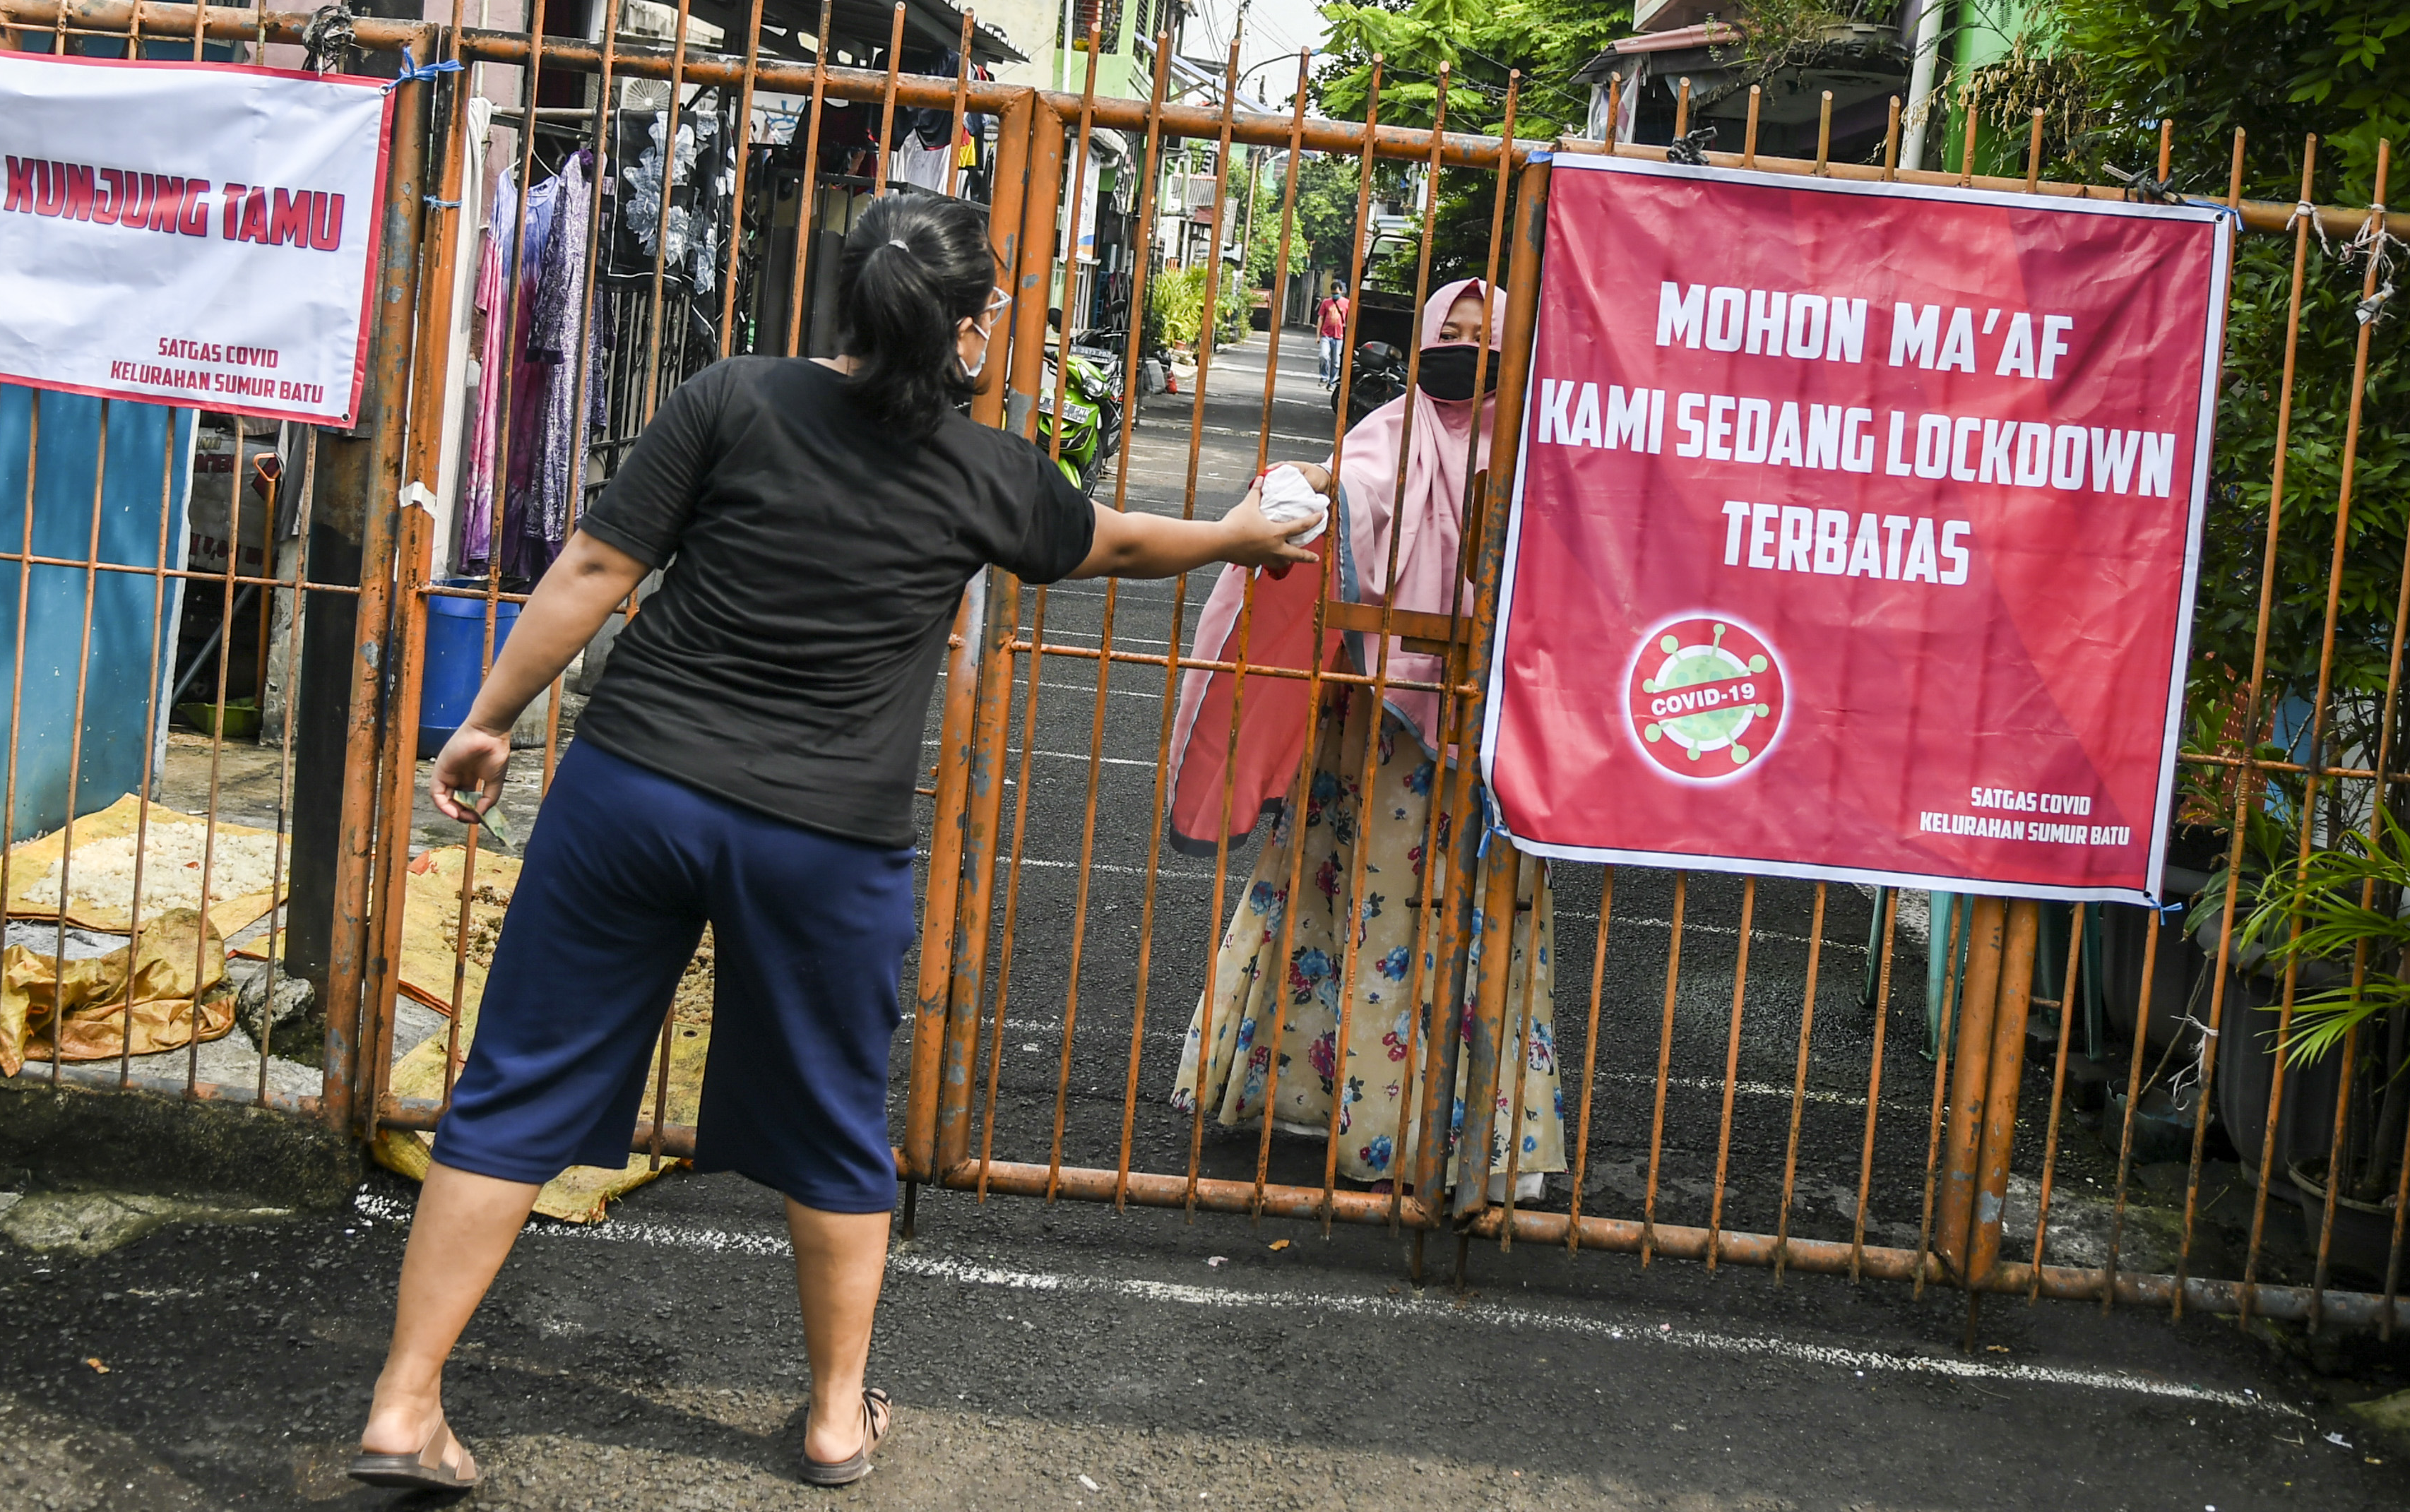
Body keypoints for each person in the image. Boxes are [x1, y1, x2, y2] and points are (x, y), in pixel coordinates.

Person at [352, 190, 1322, 1494]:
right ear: (971, 330)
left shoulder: (729, 397)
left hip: (633, 789)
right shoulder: (989, 471)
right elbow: (1123, 542)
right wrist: (1246, 533)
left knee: (513, 1085)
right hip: (822, 838)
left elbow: (592, 568)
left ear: (845, 302)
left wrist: (485, 721)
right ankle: (830, 1416)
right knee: (833, 1123)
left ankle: (406, 1408)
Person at [1163, 277, 1565, 1209]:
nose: (1463, 350)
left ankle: (1471, 1135)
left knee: (1476, 923)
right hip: (1376, 727)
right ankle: (1360, 1119)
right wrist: (1311, 485)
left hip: (1489, 729)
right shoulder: (1390, 428)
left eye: (1484, 335)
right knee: (1356, 909)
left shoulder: (1539, 441)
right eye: (1450, 332)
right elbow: (1363, 484)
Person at [1315, 280, 1351, 391]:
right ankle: (1324, 377)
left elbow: (1351, 320)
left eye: (1336, 292)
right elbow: (1321, 318)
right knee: (1324, 356)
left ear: (1341, 291)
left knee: (1336, 362)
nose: (1335, 295)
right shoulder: (1326, 302)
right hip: (1326, 335)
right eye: (1333, 293)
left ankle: (1332, 383)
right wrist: (1318, 335)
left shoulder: (1347, 303)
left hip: (1339, 336)